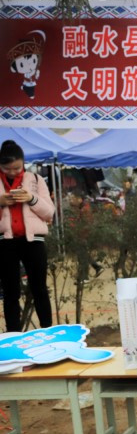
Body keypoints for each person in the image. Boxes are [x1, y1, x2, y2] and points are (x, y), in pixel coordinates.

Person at [0, 140, 55, 332]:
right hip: (5, 242)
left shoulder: (36, 179)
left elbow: (49, 212)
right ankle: (13, 334)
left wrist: (31, 198)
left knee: (39, 288)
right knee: (10, 292)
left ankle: (47, 330)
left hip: (34, 241)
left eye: (17, 167)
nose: (13, 172)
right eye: (7, 169)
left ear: (23, 162)